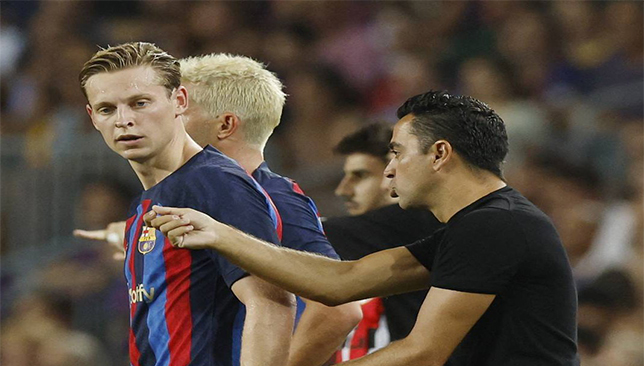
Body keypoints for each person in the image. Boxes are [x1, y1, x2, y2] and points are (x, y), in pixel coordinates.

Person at [147, 90, 580, 365]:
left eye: (396, 153)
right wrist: (222, 234)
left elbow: (422, 353)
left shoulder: (496, 226)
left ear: (440, 154)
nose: (389, 170)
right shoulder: (475, 227)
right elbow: (342, 282)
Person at [76, 53, 362, 366]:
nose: (172, 114)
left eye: (146, 103)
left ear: (224, 124)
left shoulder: (266, 193)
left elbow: (335, 308)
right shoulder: (172, 193)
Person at [325, 123, 442, 360]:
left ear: (393, 170)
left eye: (360, 176)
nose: (343, 190)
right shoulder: (363, 240)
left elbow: (307, 233)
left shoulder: (418, 222)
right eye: (345, 176)